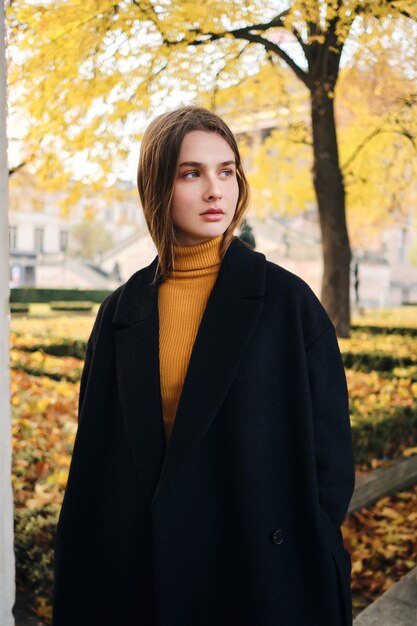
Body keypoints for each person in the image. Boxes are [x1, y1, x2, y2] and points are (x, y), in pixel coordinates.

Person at [52, 105, 355, 626]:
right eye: (191, 173)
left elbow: (332, 459)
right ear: (157, 187)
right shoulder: (121, 313)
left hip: (261, 578)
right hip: (146, 580)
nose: (216, 190)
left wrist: (296, 550)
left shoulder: (288, 303)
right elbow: (95, 468)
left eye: (226, 171)